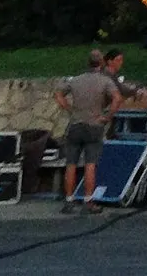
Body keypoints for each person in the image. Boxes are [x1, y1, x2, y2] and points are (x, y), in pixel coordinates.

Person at [54, 50, 118, 213]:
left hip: (75, 125)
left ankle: (69, 200)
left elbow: (59, 93)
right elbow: (117, 98)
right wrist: (108, 116)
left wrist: (69, 108)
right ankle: (89, 201)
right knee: (90, 164)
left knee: (71, 164)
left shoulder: (76, 80)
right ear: (102, 63)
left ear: (88, 63)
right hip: (94, 125)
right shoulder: (104, 81)